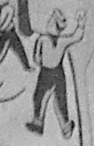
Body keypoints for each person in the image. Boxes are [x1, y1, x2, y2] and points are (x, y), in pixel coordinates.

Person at [24, 8, 85, 137]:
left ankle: (63, 126)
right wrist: (80, 25)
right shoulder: (44, 39)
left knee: (59, 100)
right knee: (40, 97)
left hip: (54, 72)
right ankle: (41, 123)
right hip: (49, 72)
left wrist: (80, 24)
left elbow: (36, 58)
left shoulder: (51, 40)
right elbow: (36, 56)